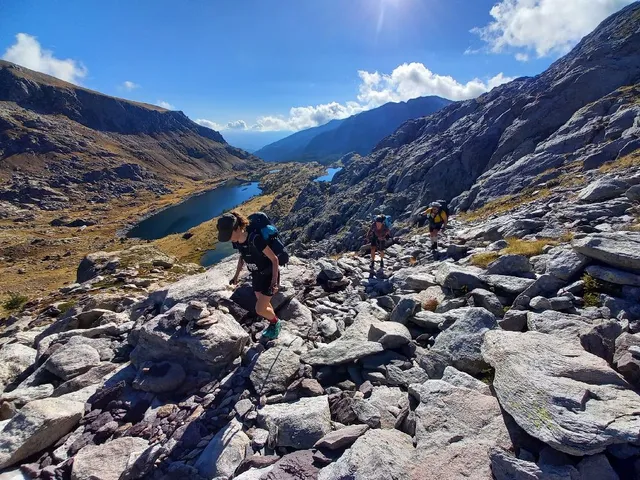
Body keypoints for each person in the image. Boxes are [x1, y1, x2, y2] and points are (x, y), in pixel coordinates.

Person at [217, 211, 282, 340]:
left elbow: (274, 259)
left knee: (259, 309)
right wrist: (236, 276)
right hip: (256, 275)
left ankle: (276, 322)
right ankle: (273, 323)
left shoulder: (255, 239)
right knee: (263, 305)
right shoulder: (237, 241)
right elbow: (242, 256)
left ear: (238, 228)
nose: (229, 239)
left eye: (230, 235)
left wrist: (275, 282)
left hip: (268, 276)